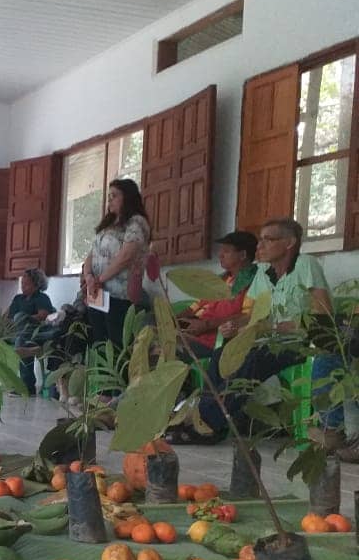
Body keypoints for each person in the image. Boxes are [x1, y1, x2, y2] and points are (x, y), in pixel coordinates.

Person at [169, 218, 336, 444]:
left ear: (289, 243)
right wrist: (236, 325)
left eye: (268, 240)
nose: (260, 246)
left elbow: (322, 316)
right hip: (269, 339)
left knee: (253, 359)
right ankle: (211, 426)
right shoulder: (263, 272)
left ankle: (204, 421)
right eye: (260, 240)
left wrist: (276, 327)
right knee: (222, 356)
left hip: (300, 342)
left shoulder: (306, 264)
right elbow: (254, 315)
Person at [81, 178, 151, 348]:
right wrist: (89, 276)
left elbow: (126, 256)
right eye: (109, 196)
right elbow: (93, 253)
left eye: (114, 195)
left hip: (120, 294)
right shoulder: (108, 224)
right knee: (99, 340)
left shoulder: (136, 222)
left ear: (127, 197)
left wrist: (100, 279)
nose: (109, 199)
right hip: (98, 290)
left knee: (118, 342)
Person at [175, 231, 258, 359]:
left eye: (226, 251)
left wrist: (206, 325)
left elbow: (246, 316)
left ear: (242, 255)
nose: (220, 255)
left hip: (213, 341)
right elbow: (193, 308)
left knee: (167, 348)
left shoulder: (253, 282)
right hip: (193, 331)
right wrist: (172, 321)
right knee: (149, 324)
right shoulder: (221, 280)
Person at [7, 269, 56, 395]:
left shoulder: (42, 297)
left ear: (36, 285)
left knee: (22, 339)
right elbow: (8, 317)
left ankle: (27, 386)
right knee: (16, 332)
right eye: (22, 283)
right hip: (17, 331)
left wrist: (24, 318)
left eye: (26, 284)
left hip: (37, 332)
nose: (23, 286)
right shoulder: (18, 298)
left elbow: (43, 315)